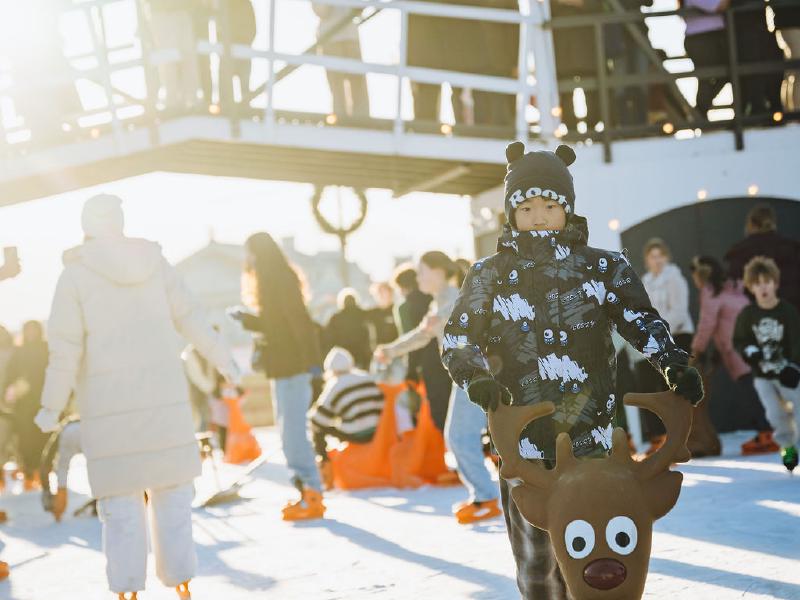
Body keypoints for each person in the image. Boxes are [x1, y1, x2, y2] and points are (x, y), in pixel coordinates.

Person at [442, 141, 703, 598]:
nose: (538, 216)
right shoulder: (489, 274)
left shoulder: (602, 268)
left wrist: (672, 364)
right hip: (523, 447)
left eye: (549, 205)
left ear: (568, 208)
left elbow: (641, 321)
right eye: (525, 207)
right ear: (511, 212)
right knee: (537, 565)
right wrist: (477, 378)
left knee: (594, 562)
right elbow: (458, 338)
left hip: (593, 447)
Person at [34, 194, 237, 600]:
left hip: (109, 413)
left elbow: (65, 349)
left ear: (87, 227)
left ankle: (127, 591)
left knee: (121, 507)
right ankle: (182, 583)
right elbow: (191, 317)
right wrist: (227, 363)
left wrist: (50, 407)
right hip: (165, 403)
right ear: (121, 224)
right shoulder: (155, 263)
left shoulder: (74, 276)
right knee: (173, 496)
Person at [376, 251, 501, 525]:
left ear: (438, 272)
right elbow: (422, 336)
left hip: (479, 373)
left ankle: (487, 497)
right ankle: (484, 495)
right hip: (465, 375)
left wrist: (443, 316)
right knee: (457, 436)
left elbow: (465, 312)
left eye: (422, 271)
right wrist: (391, 351)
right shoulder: (438, 303)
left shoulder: (457, 296)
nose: (418, 277)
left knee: (460, 435)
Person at [229, 232, 325, 521]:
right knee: (288, 433)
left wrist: (313, 365)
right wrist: (250, 320)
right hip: (284, 369)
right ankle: (306, 491)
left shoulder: (280, 281)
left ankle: (312, 493)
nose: (248, 260)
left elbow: (298, 323)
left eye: (250, 253)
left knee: (293, 434)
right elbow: (278, 326)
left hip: (294, 368)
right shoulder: (275, 282)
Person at [690, 256, 776, 454]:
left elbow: (707, 324)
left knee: (751, 391)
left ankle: (766, 434)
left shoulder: (711, 291)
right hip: (754, 342)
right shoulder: (733, 287)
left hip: (737, 348)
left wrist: (697, 351)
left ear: (700, 274)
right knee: (759, 387)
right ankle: (769, 431)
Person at [734, 256, 800, 472]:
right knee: (774, 413)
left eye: (767, 282)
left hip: (788, 372)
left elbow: (797, 340)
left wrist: (793, 365)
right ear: (751, 287)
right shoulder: (748, 315)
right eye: (757, 284)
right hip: (763, 376)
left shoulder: (787, 312)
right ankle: (788, 446)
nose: (763, 288)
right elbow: (740, 340)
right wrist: (749, 351)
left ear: (775, 283)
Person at [638, 238, 694, 454]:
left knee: (673, 387)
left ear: (666, 257)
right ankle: (660, 436)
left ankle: (681, 438)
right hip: (656, 340)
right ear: (647, 261)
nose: (657, 260)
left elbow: (679, 311)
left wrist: (662, 333)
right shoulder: (645, 281)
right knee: (651, 386)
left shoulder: (674, 277)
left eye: (660, 255)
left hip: (677, 335)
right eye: (653, 257)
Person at [310, 347, 385, 487]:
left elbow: (318, 419)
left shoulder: (335, 384)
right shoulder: (367, 377)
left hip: (356, 433)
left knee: (317, 429)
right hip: (379, 430)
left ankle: (326, 470)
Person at [393, 265, 453, 431]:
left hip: (428, 363)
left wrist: (411, 371)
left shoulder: (404, 307)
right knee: (452, 407)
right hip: (448, 357)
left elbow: (411, 339)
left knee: (438, 411)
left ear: (402, 287)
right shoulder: (433, 299)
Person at [725, 204, 800, 312]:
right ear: (773, 223)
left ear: (751, 224)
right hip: (792, 312)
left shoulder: (740, 251)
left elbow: (734, 288)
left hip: (754, 315)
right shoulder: (792, 248)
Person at [2, 321, 49, 490]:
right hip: (24, 406)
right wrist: (11, 391)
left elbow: (55, 373)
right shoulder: (19, 352)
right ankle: (30, 473)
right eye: (28, 330)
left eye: (33, 330)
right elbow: (10, 374)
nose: (31, 334)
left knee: (43, 439)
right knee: (25, 441)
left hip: (44, 402)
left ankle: (43, 472)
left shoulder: (46, 349)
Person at [312, 4, 369, 120]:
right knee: (336, 86)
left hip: (351, 37)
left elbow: (359, 9)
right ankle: (340, 120)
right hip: (330, 38)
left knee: (358, 84)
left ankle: (362, 121)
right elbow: (322, 11)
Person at [146, 0, 200, 111]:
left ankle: (190, 99)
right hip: (162, 12)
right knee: (168, 60)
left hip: (182, 10)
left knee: (188, 58)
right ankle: (173, 103)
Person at [681, 0, 730, 117]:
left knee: (724, 74)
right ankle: (699, 113)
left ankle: (699, 112)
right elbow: (719, 6)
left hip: (708, 37)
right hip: (702, 39)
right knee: (707, 79)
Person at [323, 289, 372, 370]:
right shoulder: (364, 315)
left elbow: (328, 338)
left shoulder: (335, 318)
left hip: (343, 356)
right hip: (362, 356)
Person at [775, 2, 800, 111]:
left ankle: (790, 112)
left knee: (791, 72)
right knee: (797, 71)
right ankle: (795, 112)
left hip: (788, 23)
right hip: (790, 23)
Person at [366, 282, 399, 348]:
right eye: (378, 292)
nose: (380, 295)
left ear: (390, 293)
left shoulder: (397, 309)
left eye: (383, 292)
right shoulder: (372, 312)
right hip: (379, 351)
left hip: (396, 350)